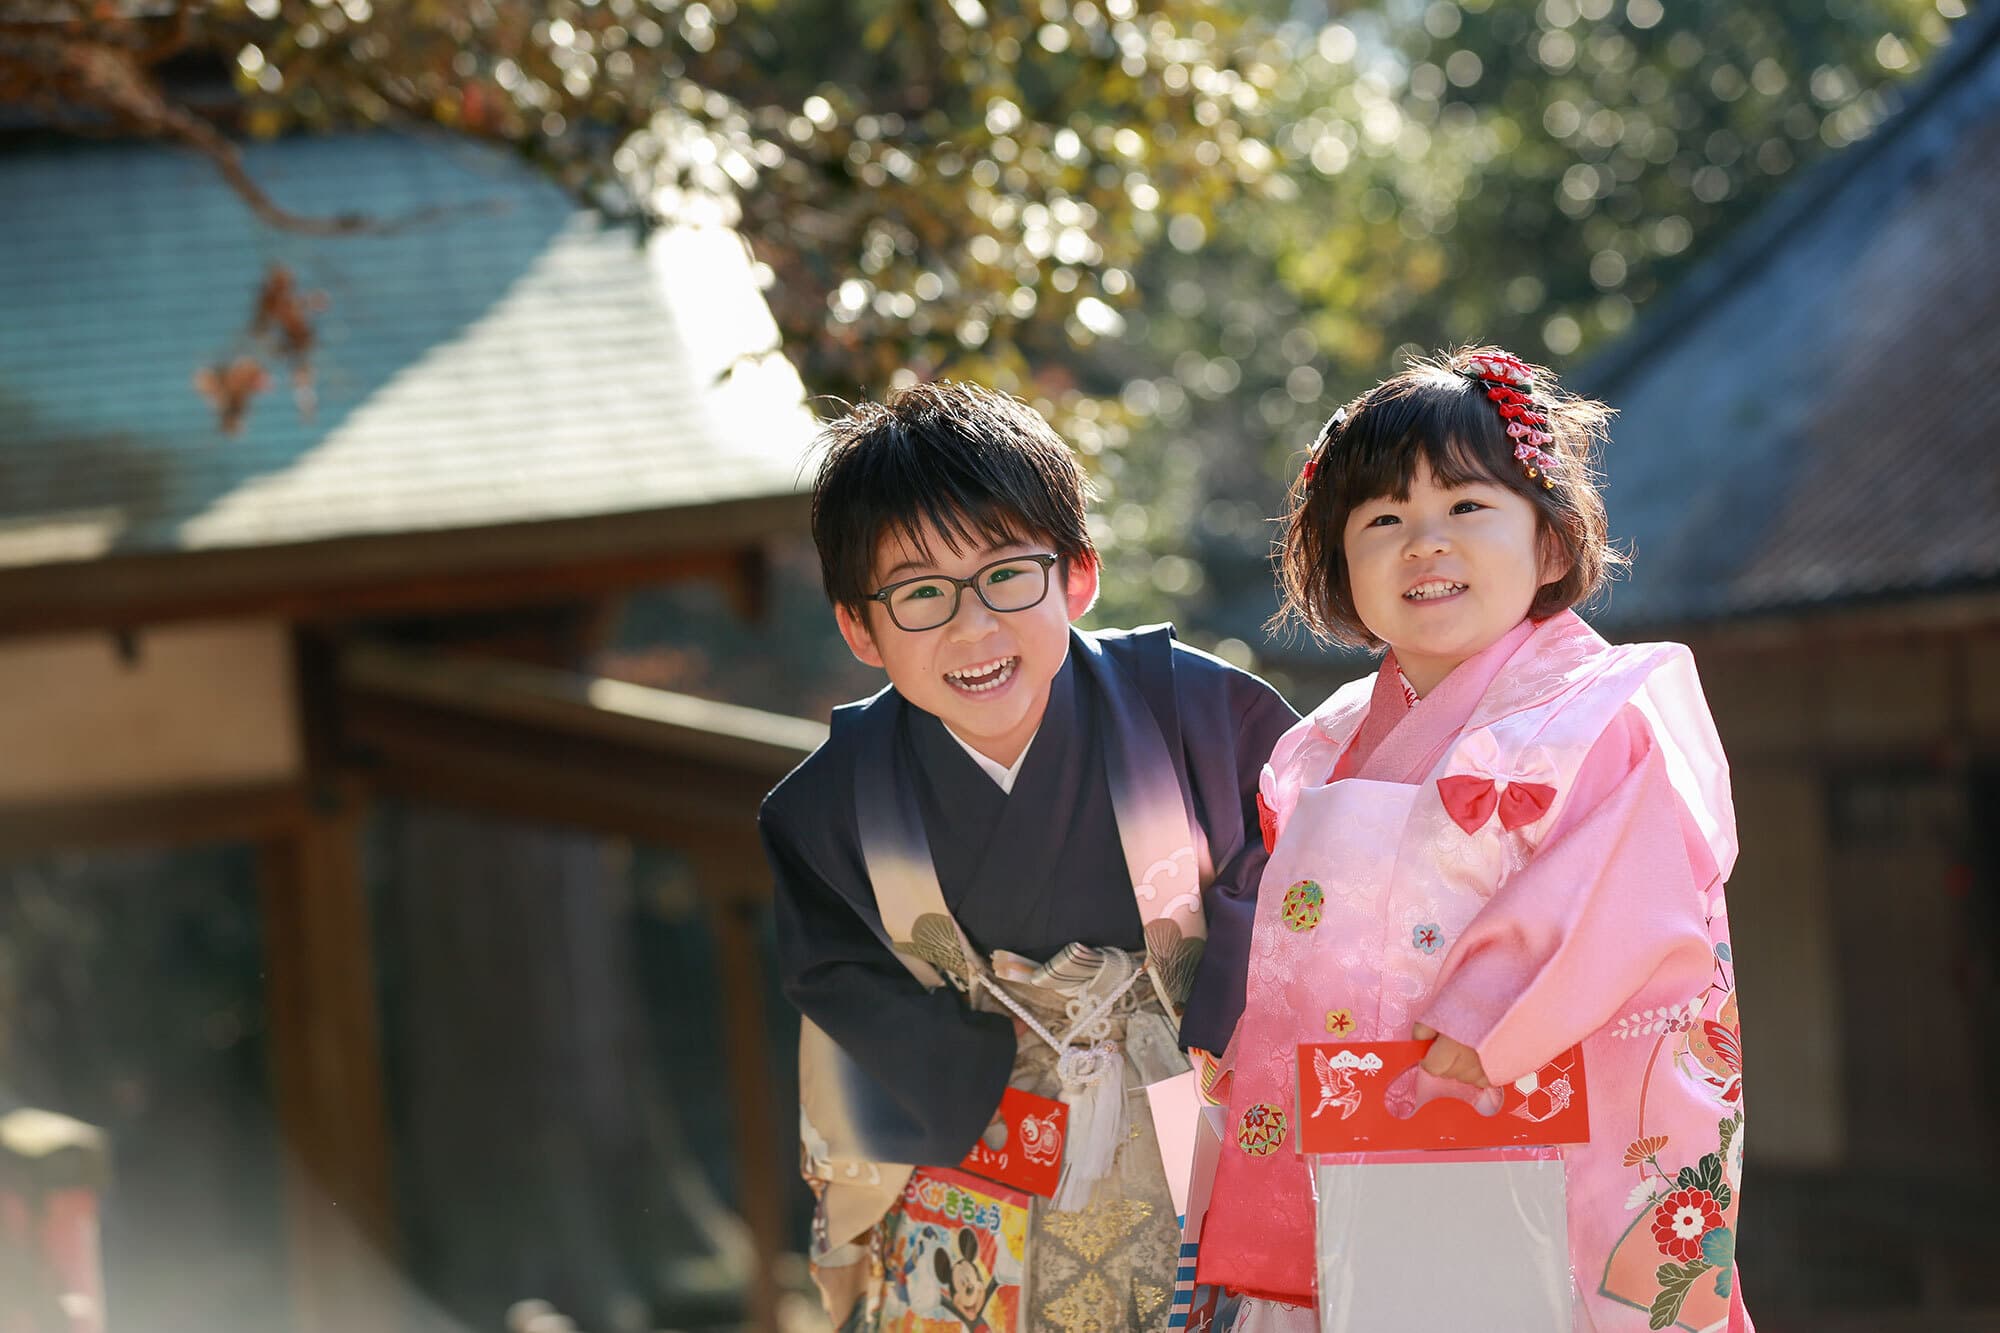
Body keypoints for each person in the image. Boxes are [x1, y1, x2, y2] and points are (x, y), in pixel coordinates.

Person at [1198, 349, 1750, 1332]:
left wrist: (1486, 1002)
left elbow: (1629, 889)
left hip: (1518, 1122)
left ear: (1547, 545)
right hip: (1354, 1133)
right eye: (1381, 521)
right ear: (1337, 565)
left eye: (1463, 507)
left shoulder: (1598, 708)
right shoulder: (1319, 744)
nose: (1423, 544)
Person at [762, 380, 1299, 1330]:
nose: (975, 628)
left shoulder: (1204, 715)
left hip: (1194, 1101)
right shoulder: (830, 805)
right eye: (921, 592)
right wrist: (969, 1063)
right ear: (860, 627)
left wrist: (1212, 1017)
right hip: (980, 1135)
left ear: (1077, 576)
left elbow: (1300, 880)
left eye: (1008, 574)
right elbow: (833, 973)